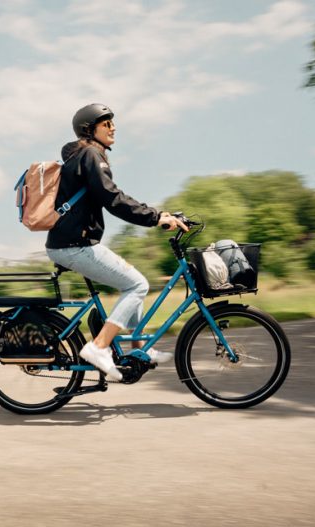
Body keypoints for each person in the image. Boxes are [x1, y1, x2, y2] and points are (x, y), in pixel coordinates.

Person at [46, 103, 188, 382]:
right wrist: (155, 217)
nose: (113, 128)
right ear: (90, 130)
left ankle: (138, 348)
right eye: (107, 124)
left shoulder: (85, 155)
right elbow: (113, 199)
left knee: (131, 282)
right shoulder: (90, 155)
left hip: (74, 242)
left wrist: (158, 215)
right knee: (137, 285)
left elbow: (113, 196)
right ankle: (98, 347)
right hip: (73, 245)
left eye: (113, 123)